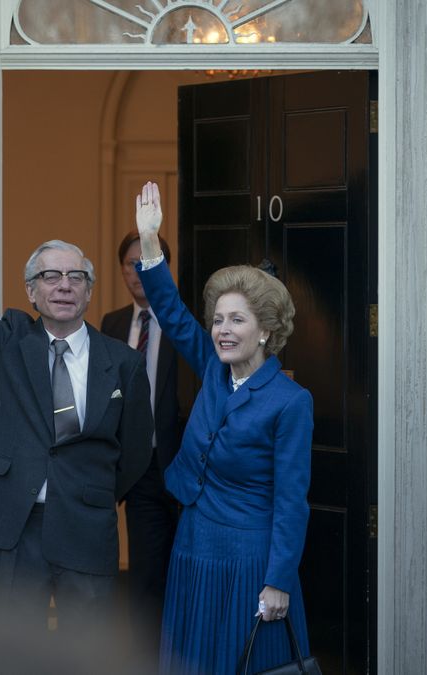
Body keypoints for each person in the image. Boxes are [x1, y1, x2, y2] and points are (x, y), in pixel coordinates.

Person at [0, 181, 154, 631]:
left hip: (86, 523)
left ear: (88, 292)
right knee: (11, 650)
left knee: (88, 653)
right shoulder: (9, 342)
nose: (64, 285)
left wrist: (92, 488)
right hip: (15, 525)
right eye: (50, 276)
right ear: (31, 292)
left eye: (75, 277)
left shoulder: (121, 362)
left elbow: (136, 451)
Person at [133, 181, 314, 674]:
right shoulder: (214, 369)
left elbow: (292, 501)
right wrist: (150, 240)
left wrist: (278, 580)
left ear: (267, 331)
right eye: (218, 320)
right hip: (194, 547)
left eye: (237, 320)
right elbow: (171, 312)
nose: (223, 330)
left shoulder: (291, 402)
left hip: (249, 562)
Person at [99, 231, 183, 649]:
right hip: (138, 470)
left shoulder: (187, 324)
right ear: (121, 270)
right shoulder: (112, 324)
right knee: (145, 575)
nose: (137, 270)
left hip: (185, 468)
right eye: (131, 262)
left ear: (164, 269)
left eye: (147, 261)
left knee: (185, 575)